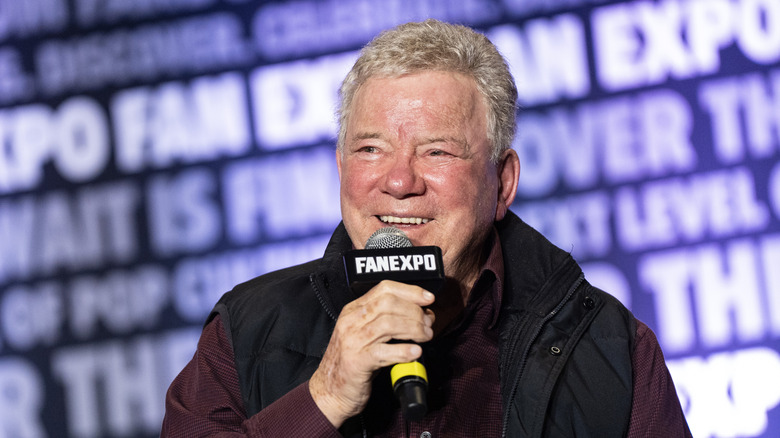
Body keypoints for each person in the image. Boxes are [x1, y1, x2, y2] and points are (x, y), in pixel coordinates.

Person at [162, 19, 692, 437]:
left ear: (503, 182)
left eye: (437, 151)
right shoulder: (246, 331)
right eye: (370, 149)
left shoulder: (607, 346)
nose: (398, 181)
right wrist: (322, 399)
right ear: (343, 169)